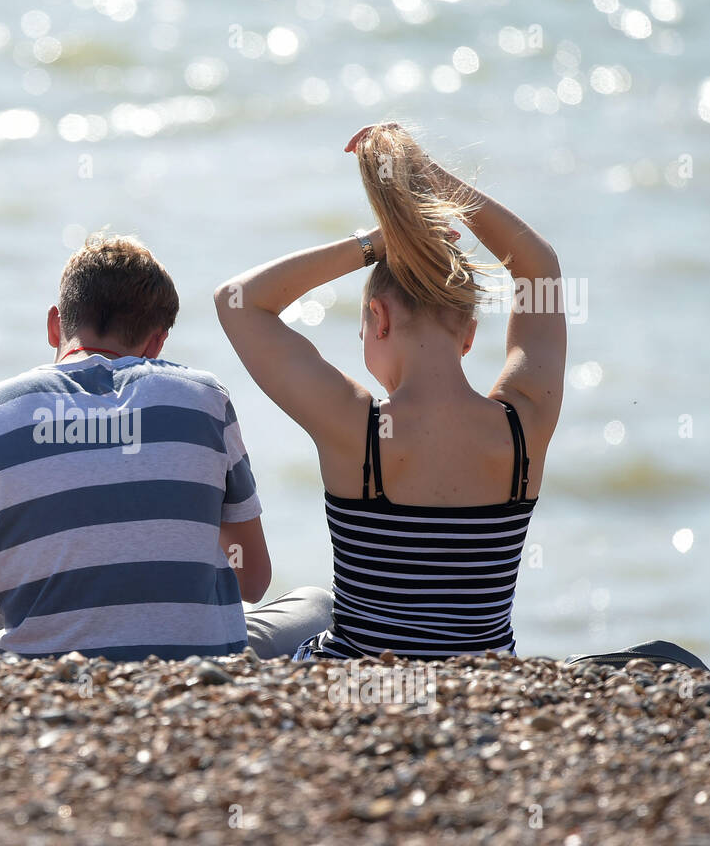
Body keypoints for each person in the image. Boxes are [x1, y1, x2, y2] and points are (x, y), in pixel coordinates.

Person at [0, 232, 332, 662]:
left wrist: (3, 533)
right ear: (157, 342)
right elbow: (252, 581)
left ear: (55, 325)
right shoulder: (205, 401)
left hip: (39, 681)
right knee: (317, 605)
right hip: (196, 674)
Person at [215, 123, 567, 660]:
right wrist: (430, 179)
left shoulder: (359, 431)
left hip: (359, 681)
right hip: (489, 687)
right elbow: (538, 267)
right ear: (469, 334)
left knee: (308, 605)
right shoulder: (524, 426)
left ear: (377, 318)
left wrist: (375, 243)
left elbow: (237, 300)